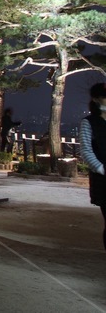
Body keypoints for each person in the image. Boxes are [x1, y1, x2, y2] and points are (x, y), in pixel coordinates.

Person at [79, 83, 106, 251]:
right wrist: (101, 168)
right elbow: (86, 150)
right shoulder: (89, 123)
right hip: (103, 179)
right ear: (96, 99)